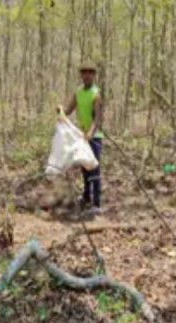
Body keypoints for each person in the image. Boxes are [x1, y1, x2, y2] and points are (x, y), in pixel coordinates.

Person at [59, 62, 104, 215]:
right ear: (81, 75)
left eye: (90, 73)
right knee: (85, 168)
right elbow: (68, 110)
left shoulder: (96, 94)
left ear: (93, 75)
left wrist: (91, 133)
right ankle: (86, 197)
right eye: (84, 72)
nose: (87, 75)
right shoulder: (78, 92)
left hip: (94, 137)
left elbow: (98, 118)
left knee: (94, 169)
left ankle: (97, 204)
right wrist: (61, 110)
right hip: (81, 137)